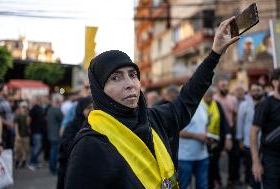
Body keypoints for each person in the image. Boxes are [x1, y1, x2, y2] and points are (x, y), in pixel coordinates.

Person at [65, 17, 239, 189]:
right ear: (99, 89)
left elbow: (188, 98)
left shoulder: (154, 120)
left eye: (133, 74)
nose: (130, 84)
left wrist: (214, 54)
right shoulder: (90, 147)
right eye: (115, 77)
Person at [250, 68, 280, 189]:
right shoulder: (265, 104)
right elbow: (253, 133)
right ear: (275, 82)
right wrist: (256, 163)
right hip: (271, 159)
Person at [203, 87, 232, 189]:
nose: (208, 97)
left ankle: (214, 182)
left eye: (210, 95)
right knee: (207, 166)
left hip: (216, 142)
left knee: (214, 163)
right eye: (206, 94)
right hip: (202, 141)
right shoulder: (198, 105)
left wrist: (228, 137)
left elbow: (225, 122)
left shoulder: (217, 105)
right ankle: (212, 182)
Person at [236, 83, 263, 189]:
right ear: (250, 92)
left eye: (258, 90)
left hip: (263, 144)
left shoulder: (266, 104)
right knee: (250, 169)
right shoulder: (244, 105)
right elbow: (240, 123)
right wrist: (240, 140)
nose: (256, 92)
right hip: (248, 143)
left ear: (261, 91)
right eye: (253, 90)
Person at [178, 102, 209, 189]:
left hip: (202, 155)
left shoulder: (203, 106)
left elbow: (205, 125)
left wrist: (207, 135)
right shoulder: (181, 107)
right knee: (182, 186)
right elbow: (176, 131)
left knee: (203, 186)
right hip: (184, 157)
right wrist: (196, 136)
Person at [14, 101, 30, 169]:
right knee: (18, 150)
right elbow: (16, 126)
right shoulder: (18, 116)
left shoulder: (28, 116)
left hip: (26, 135)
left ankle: (23, 162)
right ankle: (17, 162)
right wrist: (17, 135)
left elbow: (28, 125)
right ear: (20, 108)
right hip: (19, 135)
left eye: (25, 107)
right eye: (23, 107)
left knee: (25, 150)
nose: (24, 108)